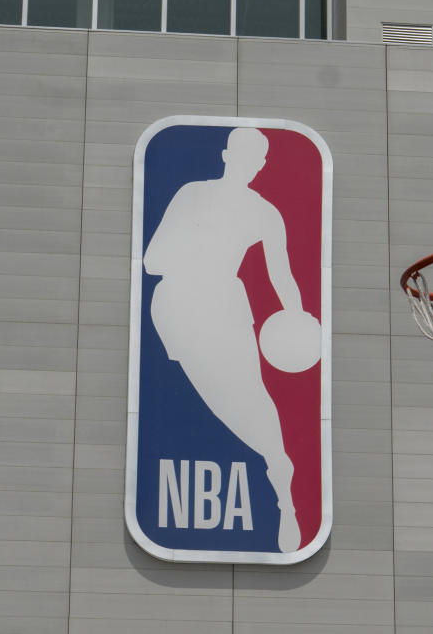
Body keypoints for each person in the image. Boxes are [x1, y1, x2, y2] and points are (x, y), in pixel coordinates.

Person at [144, 127, 303, 553]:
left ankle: (283, 487)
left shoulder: (266, 213)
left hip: (225, 306)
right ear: (227, 155)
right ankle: (277, 465)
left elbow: (282, 278)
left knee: (251, 397)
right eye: (245, 154)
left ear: (261, 165)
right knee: (219, 397)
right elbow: (152, 259)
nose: (251, 164)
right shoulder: (191, 194)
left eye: (258, 158)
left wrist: (297, 320)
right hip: (178, 305)